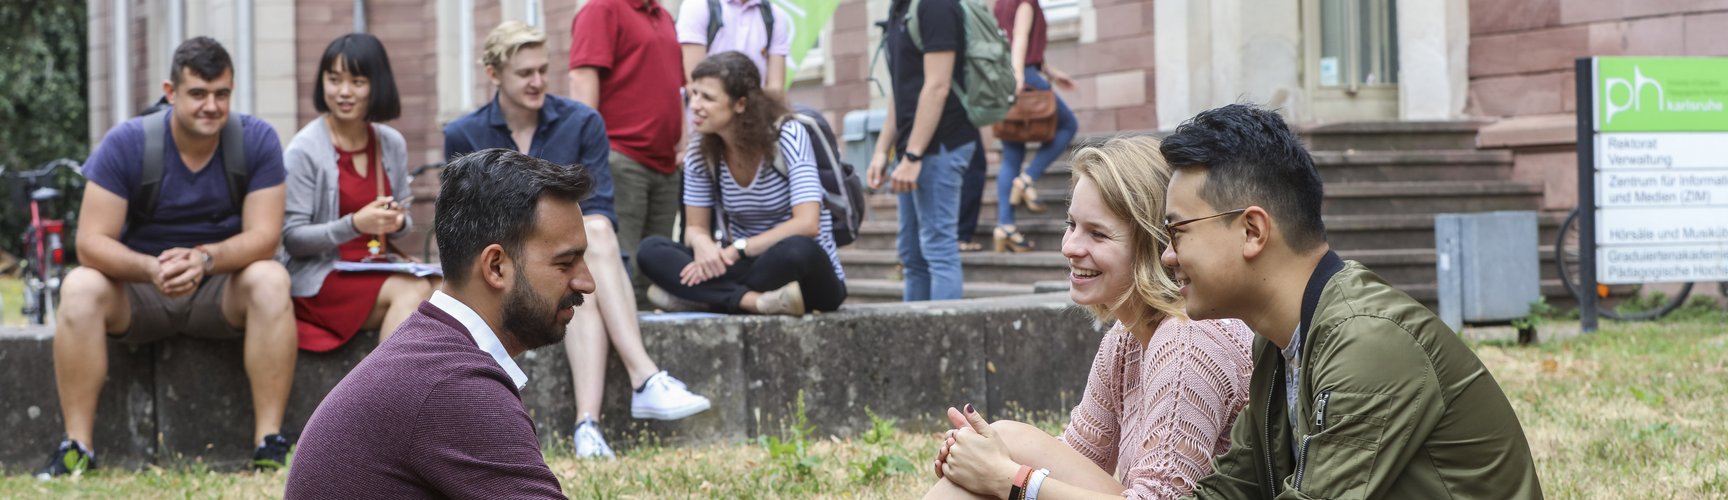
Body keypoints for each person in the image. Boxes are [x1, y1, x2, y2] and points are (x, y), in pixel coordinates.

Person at [1158, 104, 1542, 498]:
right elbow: (1228, 491)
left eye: (1176, 231)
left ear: (1253, 231)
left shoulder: (1366, 339)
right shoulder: (1278, 345)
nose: (1167, 256)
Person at [927, 136, 1255, 499]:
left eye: (1097, 234)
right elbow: (1077, 455)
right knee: (1003, 443)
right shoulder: (1126, 338)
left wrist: (1008, 478)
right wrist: (981, 458)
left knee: (1010, 447)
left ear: (1152, 244)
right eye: (1072, 225)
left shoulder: (1188, 339)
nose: (1070, 247)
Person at [446, 21, 709, 460]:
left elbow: (600, 205)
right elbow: (464, 224)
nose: (537, 82)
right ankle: (643, 378)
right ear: (494, 74)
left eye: (543, 70)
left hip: (570, 261)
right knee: (571, 268)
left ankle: (588, 425)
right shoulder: (464, 134)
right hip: (504, 269)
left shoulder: (582, 121)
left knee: (587, 249)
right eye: (524, 73)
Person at [40, 36, 296, 477]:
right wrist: (149, 268)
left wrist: (205, 259)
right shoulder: (127, 142)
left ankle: (269, 443)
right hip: (141, 289)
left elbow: (264, 237)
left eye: (222, 94)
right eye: (198, 93)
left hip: (219, 288)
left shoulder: (255, 140)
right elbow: (90, 242)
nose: (211, 106)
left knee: (271, 279)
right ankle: (77, 447)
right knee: (79, 286)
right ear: (171, 91)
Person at [285, 149, 590, 498]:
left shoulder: (432, 354)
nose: (587, 282)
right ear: (495, 267)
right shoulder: (453, 384)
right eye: (566, 263)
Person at [637, 51, 847, 316]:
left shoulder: (787, 134)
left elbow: (807, 224)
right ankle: (753, 302)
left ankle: (706, 299)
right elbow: (694, 227)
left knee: (797, 250)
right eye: (695, 94)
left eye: (708, 98)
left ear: (740, 104)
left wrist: (739, 249)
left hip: (802, 275)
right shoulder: (700, 149)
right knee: (651, 250)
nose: (696, 105)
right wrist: (704, 246)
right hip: (740, 267)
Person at [281, 33, 433, 352]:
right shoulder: (305, 149)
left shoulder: (391, 142)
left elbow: (404, 220)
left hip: (378, 266)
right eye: (334, 80)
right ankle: (382, 399)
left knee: (445, 291)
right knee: (412, 293)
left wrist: (394, 220)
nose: (344, 92)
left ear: (377, 85)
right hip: (322, 277)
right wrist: (354, 225)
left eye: (357, 81)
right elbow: (292, 238)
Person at [568, 0, 687, 297]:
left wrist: (682, 146)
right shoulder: (602, 8)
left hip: (665, 163)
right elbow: (583, 78)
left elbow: (676, 90)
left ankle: (647, 340)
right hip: (621, 158)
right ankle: (620, 343)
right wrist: (591, 153)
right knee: (623, 269)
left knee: (655, 273)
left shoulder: (662, 16)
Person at [866, 0, 980, 302]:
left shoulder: (935, 5)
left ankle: (944, 340)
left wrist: (914, 155)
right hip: (912, 150)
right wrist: (882, 151)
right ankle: (912, 339)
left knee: (938, 248)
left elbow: (938, 85)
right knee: (911, 254)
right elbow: (901, 89)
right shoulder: (900, 9)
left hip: (942, 145)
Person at [990, 0, 1079, 253]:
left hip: (1009, 77)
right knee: (1068, 125)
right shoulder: (1025, 2)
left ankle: (1005, 226)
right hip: (1023, 76)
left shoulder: (1000, 3)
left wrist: (1051, 73)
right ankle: (1027, 179)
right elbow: (1019, 38)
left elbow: (1012, 41)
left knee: (1011, 156)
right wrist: (1018, 76)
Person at [675, 0, 790, 91]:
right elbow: (694, 80)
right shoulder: (698, 6)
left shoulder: (774, 15)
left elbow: (776, 87)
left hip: (755, 114)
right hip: (707, 114)